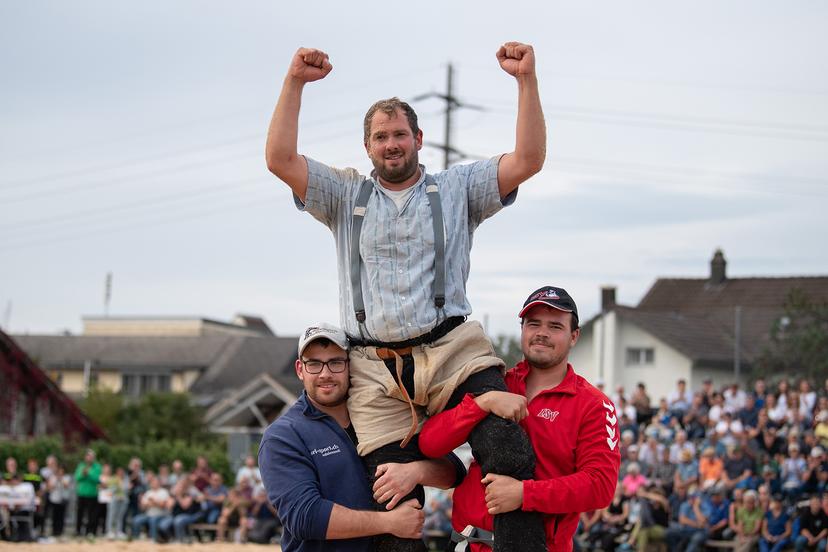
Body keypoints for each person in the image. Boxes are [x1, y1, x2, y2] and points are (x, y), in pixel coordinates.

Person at [265, 42, 547, 552]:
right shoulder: (344, 194)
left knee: (507, 448)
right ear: (367, 147)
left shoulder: (458, 188)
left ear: (419, 138)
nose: (390, 144)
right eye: (380, 137)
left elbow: (528, 159)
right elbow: (279, 159)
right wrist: (295, 82)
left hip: (452, 353)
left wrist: (526, 81)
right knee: (390, 497)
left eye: (399, 134)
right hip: (374, 365)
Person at [419, 286, 621, 551]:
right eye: (533, 323)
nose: (542, 333)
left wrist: (524, 494)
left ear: (574, 336)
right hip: (465, 543)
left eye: (555, 326)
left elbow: (600, 486)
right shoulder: (494, 382)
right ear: (523, 329)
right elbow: (430, 443)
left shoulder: (595, 404)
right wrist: (482, 403)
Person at [259, 323, 466, 552]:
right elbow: (305, 517)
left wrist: (416, 471)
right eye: (314, 364)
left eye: (335, 362)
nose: (325, 373)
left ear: (350, 365)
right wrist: (391, 523)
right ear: (300, 369)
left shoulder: (382, 411)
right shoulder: (284, 436)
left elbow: (455, 473)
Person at [74, 449, 102, 537]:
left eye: (91, 457)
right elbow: (77, 477)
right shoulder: (81, 465)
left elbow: (97, 479)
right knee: (80, 514)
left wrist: (88, 473)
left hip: (92, 494)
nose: (89, 458)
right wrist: (83, 474)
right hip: (81, 494)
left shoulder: (97, 467)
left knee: (92, 515)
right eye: (88, 456)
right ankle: (78, 531)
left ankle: (90, 532)